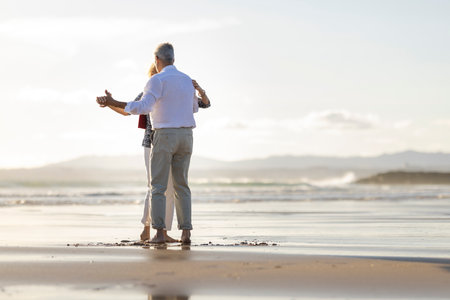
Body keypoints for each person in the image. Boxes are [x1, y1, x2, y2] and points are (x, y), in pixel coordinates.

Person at [96, 42, 205, 244]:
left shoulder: (157, 80)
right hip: (187, 135)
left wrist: (113, 102)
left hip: (164, 135)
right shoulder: (186, 80)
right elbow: (195, 108)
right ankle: (186, 233)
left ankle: (160, 233)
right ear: (173, 59)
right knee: (182, 186)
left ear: (156, 60)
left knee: (158, 187)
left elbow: (143, 107)